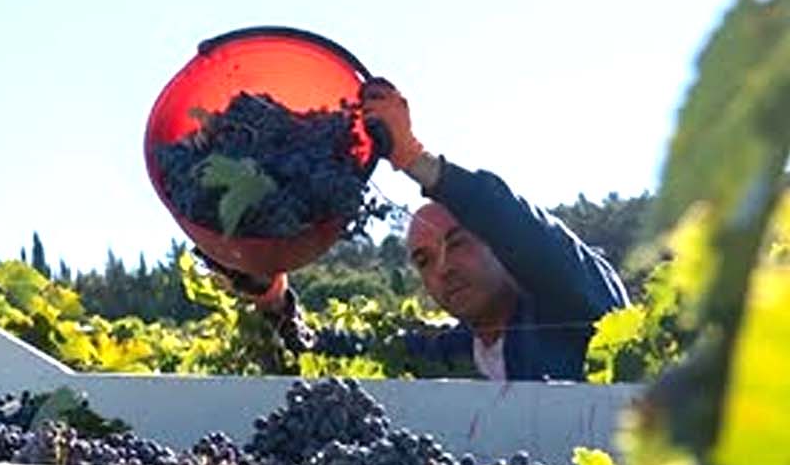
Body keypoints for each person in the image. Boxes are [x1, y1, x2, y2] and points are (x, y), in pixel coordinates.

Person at [222, 77, 629, 382]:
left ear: (499, 246)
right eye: (424, 260)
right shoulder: (453, 351)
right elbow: (340, 348)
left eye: (459, 243)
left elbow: (525, 230)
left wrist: (415, 159)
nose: (444, 268)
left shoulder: (577, 304)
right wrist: (274, 298)